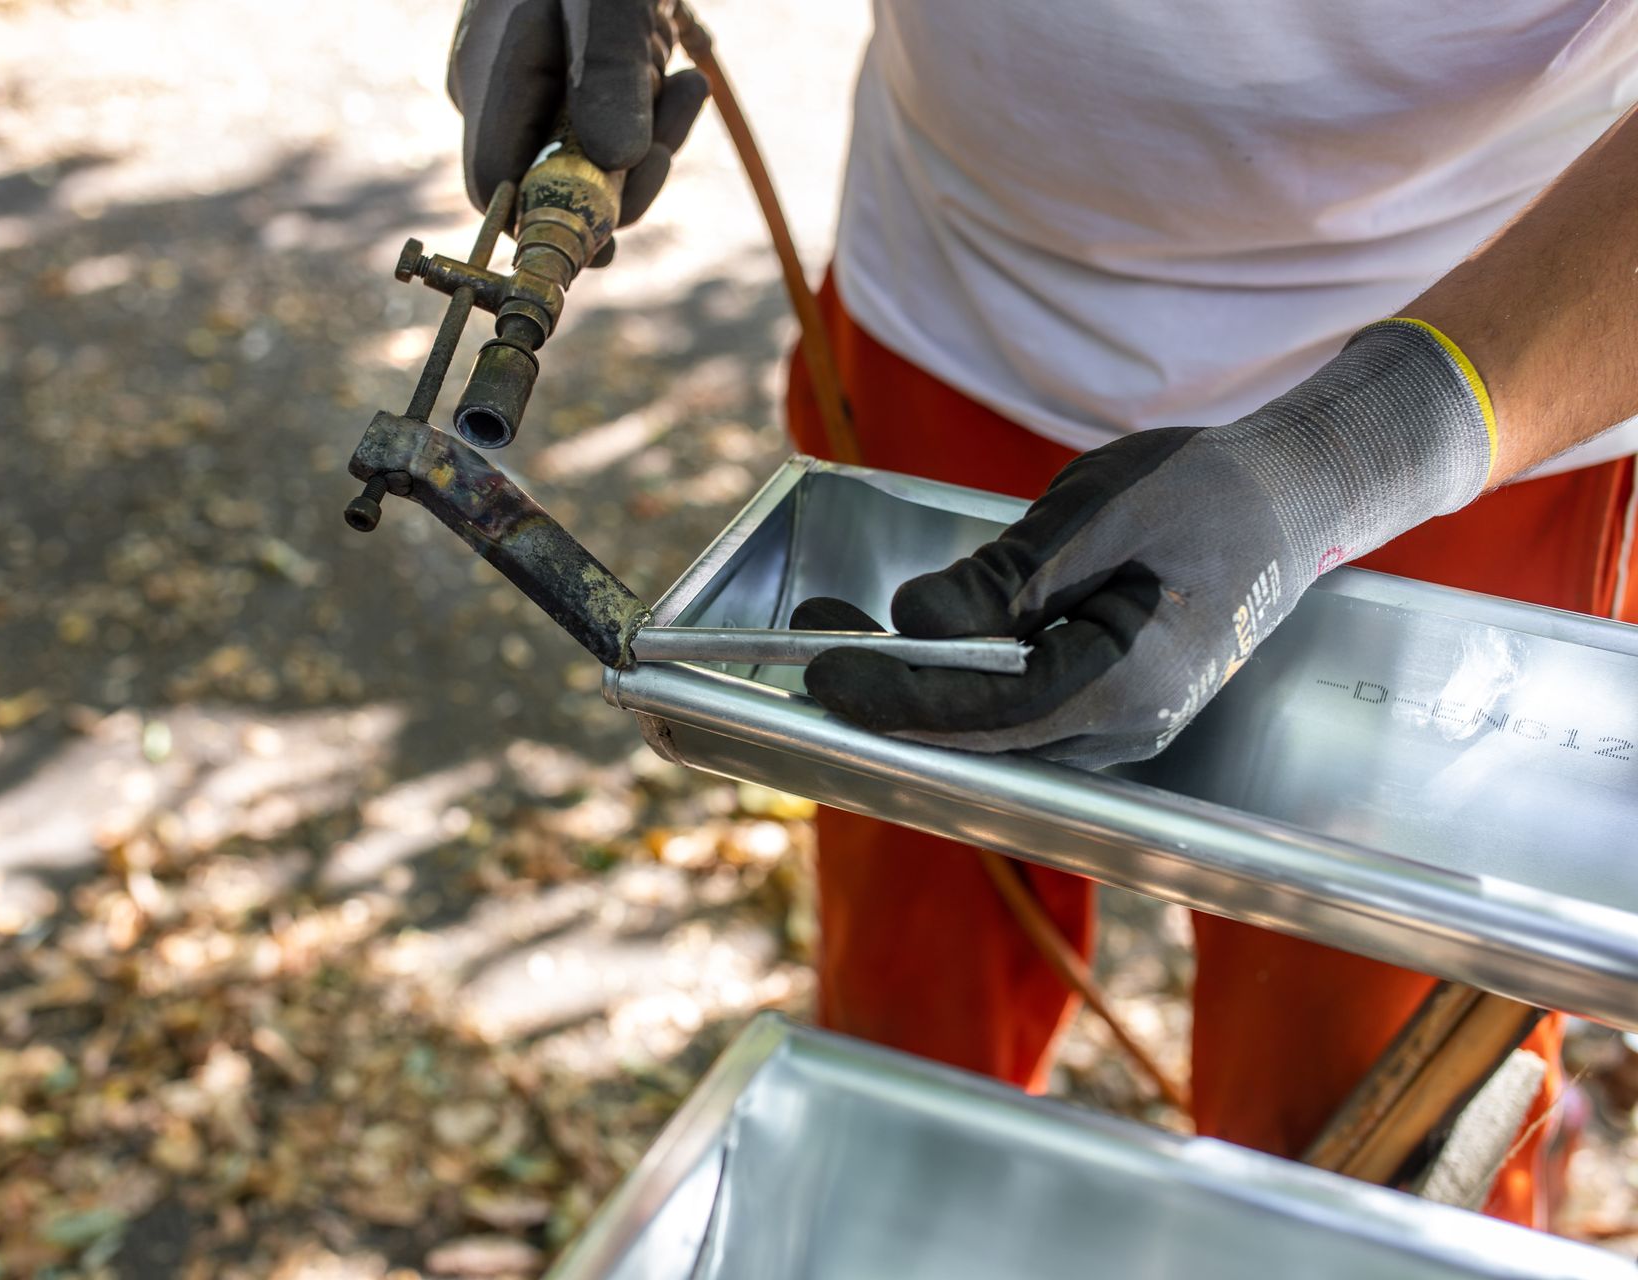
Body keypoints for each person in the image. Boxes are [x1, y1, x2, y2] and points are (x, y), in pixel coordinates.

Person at [448, 0, 1638, 1227]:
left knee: (1363, 1147)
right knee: (910, 1047)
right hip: (957, 321)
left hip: (1478, 382)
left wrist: (1362, 443)